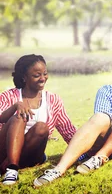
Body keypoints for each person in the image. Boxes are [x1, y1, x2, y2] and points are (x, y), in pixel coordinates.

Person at [33, 51, 112, 187]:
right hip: (103, 140)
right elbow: (99, 122)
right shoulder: (108, 91)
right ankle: (58, 169)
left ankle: (100, 157)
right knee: (101, 116)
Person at [0, 54, 76, 186]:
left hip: (31, 154)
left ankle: (6, 167)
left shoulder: (53, 100)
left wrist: (88, 150)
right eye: (36, 75)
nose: (43, 78)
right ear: (24, 77)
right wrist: (15, 106)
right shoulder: (10, 96)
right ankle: (11, 168)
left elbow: (68, 131)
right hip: (3, 149)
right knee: (19, 117)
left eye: (45, 74)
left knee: (42, 127)